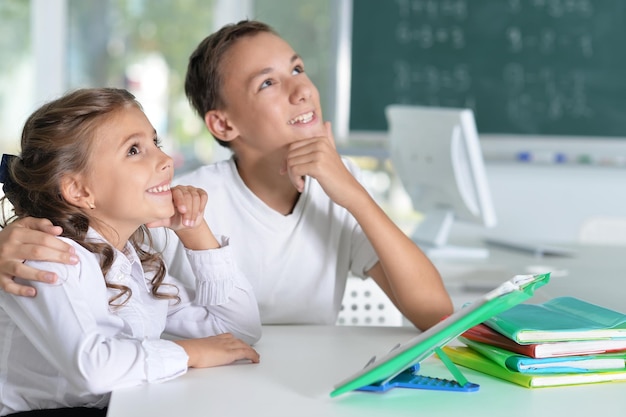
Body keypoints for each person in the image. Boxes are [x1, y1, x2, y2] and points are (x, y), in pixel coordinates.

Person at [0, 20, 453, 331]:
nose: (302, 90)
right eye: (268, 83)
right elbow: (83, 240)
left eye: (297, 68)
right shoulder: (180, 202)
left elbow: (436, 314)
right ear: (223, 125)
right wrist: (18, 235)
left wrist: (354, 194)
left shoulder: (339, 186)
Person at [0, 88, 261, 416]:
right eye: (135, 150)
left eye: (156, 143)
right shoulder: (50, 257)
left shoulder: (137, 263)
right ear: (80, 190)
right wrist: (189, 353)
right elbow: (93, 369)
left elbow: (240, 330)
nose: (165, 160)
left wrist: (194, 229)